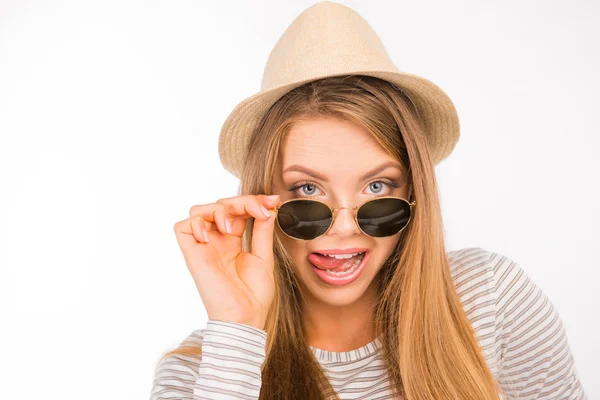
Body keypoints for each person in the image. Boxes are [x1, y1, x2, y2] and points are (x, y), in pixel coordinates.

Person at [149, 2, 587, 399]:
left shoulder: (490, 300)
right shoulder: (198, 372)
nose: (344, 227)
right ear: (262, 201)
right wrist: (237, 328)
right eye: (306, 190)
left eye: (377, 188)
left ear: (414, 192)